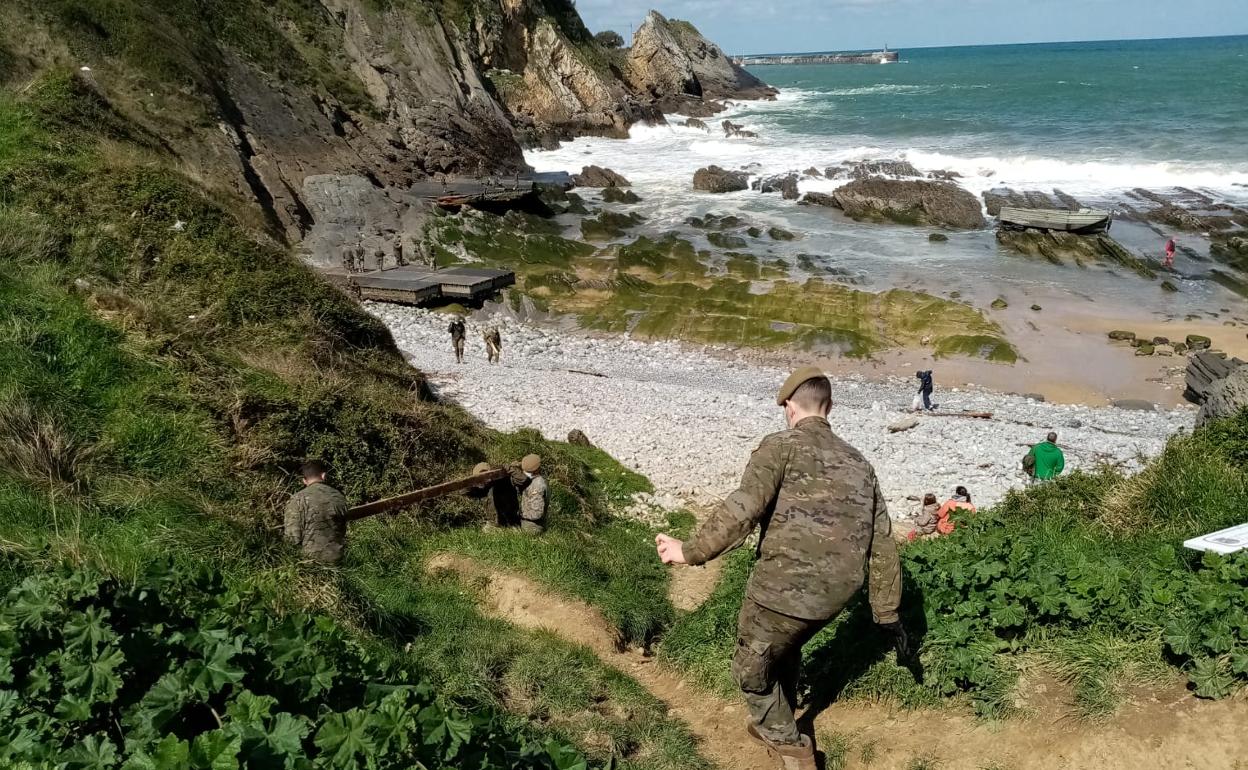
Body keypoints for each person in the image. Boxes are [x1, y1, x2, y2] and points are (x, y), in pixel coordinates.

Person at [653, 367, 905, 770]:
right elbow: (883, 542)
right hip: (837, 596)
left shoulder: (780, 446)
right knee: (784, 645)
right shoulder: (861, 464)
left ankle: (791, 746)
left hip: (783, 588)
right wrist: (886, 611)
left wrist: (691, 551)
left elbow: (744, 508)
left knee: (750, 671)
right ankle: (778, 718)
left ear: (789, 407)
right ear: (830, 407)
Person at [283, 460, 349, 565]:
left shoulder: (298, 499)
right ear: (324, 475)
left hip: (309, 564)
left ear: (304, 480)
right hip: (338, 560)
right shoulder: (338, 496)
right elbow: (342, 530)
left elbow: (292, 538)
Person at [466, 461, 523, 528]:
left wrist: (509, 468)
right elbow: (466, 492)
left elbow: (522, 480)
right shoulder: (484, 488)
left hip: (511, 522)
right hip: (493, 523)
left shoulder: (505, 481)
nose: (482, 480)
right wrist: (469, 483)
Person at [518, 454, 547, 534]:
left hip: (532, 527)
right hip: (527, 523)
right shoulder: (532, 480)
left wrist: (520, 515)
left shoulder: (537, 484)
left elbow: (536, 513)